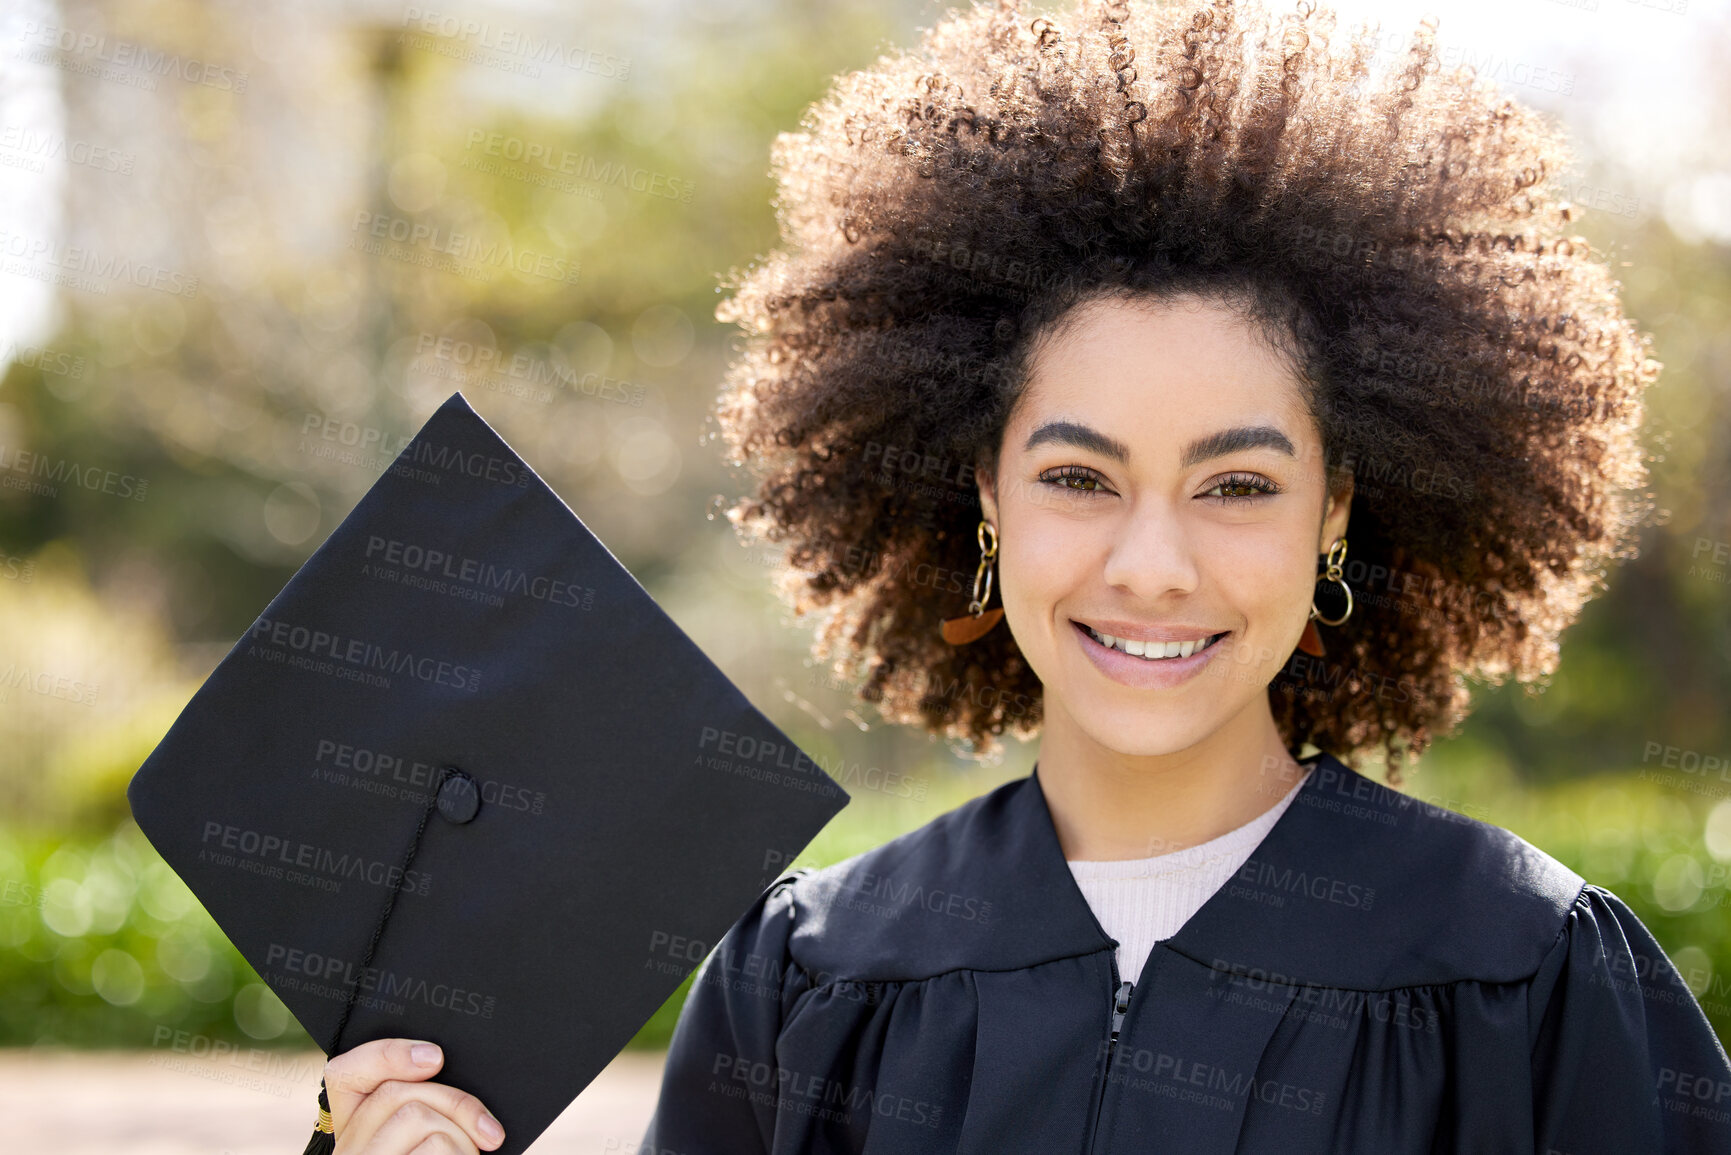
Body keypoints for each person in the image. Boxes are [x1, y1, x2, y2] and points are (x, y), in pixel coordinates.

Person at [322, 0, 1731, 1151]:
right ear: (984, 495)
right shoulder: (813, 976)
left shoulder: (1520, 972)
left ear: (1337, 516)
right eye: (1078, 478)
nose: (1154, 565)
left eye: (1238, 485)